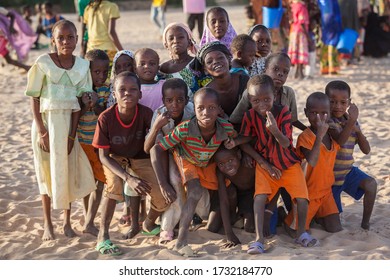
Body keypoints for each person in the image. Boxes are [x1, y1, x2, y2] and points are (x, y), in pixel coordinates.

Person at [225, 74, 316, 254]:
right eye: (256, 100)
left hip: (289, 164)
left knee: (302, 199)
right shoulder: (250, 115)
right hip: (265, 164)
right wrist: (235, 143)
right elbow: (247, 139)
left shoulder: (283, 112)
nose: (262, 104)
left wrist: (274, 130)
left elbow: (285, 143)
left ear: (274, 95)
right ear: (249, 100)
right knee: (259, 199)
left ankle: (301, 233)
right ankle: (259, 240)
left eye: (266, 99)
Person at [24, 19, 96, 241]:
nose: (66, 41)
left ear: (77, 39)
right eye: (61, 37)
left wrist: (72, 136)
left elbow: (79, 105)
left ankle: (66, 222)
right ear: (53, 40)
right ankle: (48, 224)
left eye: (70, 37)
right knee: (45, 172)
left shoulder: (83, 67)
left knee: (68, 171)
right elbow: (35, 98)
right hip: (46, 126)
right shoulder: (43, 63)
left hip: (68, 128)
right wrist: (42, 131)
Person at [150, 87, 236, 257]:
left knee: (228, 188)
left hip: (205, 161)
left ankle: (229, 227)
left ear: (219, 109)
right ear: (194, 108)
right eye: (200, 108)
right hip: (187, 158)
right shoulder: (185, 128)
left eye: (211, 108)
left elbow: (236, 137)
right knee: (195, 191)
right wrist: (162, 182)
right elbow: (156, 149)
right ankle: (181, 242)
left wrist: (233, 144)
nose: (206, 113)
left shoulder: (225, 127)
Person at [92, 71, 170, 255]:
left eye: (133, 89)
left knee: (162, 196)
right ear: (114, 94)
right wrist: (128, 178)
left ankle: (148, 223)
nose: (128, 93)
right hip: (114, 158)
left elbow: (150, 146)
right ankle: (103, 236)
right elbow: (103, 156)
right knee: (113, 187)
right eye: (122, 89)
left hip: (139, 157)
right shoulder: (105, 118)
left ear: (140, 94)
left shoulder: (145, 114)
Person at [145, 78, 194, 244]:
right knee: (174, 181)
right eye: (169, 100)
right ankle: (167, 227)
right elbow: (149, 148)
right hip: (165, 153)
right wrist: (156, 127)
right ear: (163, 101)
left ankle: (184, 220)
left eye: (180, 100)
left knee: (189, 183)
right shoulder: (159, 114)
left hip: (189, 152)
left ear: (187, 100)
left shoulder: (192, 111)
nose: (174, 105)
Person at [285, 92, 342, 233]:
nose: (319, 118)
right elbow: (312, 161)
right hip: (308, 194)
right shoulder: (305, 137)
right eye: (314, 113)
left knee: (335, 228)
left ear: (329, 114)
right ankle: (284, 216)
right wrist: (319, 136)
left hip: (326, 192)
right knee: (295, 232)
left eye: (324, 113)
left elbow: (342, 140)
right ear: (306, 113)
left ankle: (317, 215)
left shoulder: (331, 134)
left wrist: (350, 122)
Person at [325, 80, 377, 230]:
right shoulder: (329, 121)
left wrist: (358, 130)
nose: (338, 106)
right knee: (334, 227)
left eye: (343, 102)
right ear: (326, 100)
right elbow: (340, 141)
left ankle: (365, 223)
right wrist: (351, 122)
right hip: (330, 179)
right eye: (333, 102)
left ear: (349, 103)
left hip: (347, 172)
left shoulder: (351, 121)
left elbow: (366, 150)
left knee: (371, 184)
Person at [77, 49, 111, 236]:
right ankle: (88, 217)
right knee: (86, 183)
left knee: (99, 183)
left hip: (98, 145)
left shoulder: (106, 89)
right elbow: (76, 116)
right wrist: (84, 104)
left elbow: (104, 116)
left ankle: (89, 220)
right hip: (82, 143)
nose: (101, 75)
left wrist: (96, 104)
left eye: (105, 71)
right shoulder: (80, 89)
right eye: (96, 72)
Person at [230, 52, 307, 131]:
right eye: (276, 69)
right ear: (265, 69)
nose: (280, 74)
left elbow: (293, 120)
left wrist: (309, 131)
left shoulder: (289, 93)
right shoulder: (251, 92)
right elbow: (236, 120)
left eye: (285, 72)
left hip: (281, 140)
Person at [191, 41, 249, 119]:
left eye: (220, 57)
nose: (215, 62)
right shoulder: (206, 94)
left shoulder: (245, 81)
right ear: (205, 69)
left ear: (229, 59)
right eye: (209, 61)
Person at [213, 146, 256, 247]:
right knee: (212, 227)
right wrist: (229, 234)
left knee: (249, 227)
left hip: (251, 195)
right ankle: (233, 216)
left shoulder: (249, 164)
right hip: (235, 193)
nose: (228, 166)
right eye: (221, 164)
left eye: (230, 160)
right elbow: (223, 200)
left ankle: (279, 213)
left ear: (239, 155)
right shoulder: (220, 172)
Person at [160, 22, 198, 99]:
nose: (175, 41)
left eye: (180, 37)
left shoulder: (197, 63)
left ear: (189, 42)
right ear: (166, 45)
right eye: (171, 38)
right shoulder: (163, 69)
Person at [0, 7, 35, 71]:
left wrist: (11, 27)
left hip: (2, 36)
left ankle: (27, 67)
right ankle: (27, 67)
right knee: (8, 60)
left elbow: (12, 15)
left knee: (8, 58)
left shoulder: (1, 10)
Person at [134, 47, 165, 112]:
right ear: (135, 69)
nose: (147, 66)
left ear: (158, 68)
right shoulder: (133, 88)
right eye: (142, 64)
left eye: (152, 63)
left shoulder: (164, 85)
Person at [317, 0, 343, 75]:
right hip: (332, 22)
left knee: (325, 43)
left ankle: (324, 67)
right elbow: (331, 12)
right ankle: (332, 68)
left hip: (324, 22)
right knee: (333, 43)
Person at [288, 0, 311, 80]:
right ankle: (300, 73)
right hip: (300, 32)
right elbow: (301, 22)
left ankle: (297, 73)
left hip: (293, 31)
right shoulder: (301, 6)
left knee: (296, 52)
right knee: (301, 51)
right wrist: (308, 36)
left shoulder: (293, 5)